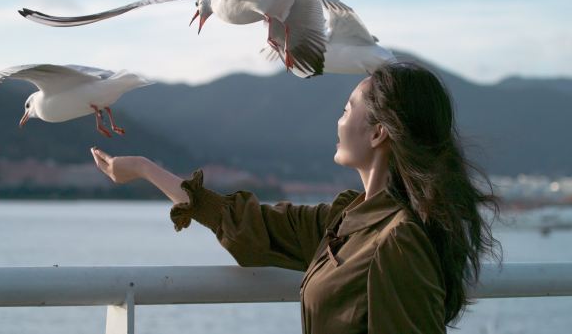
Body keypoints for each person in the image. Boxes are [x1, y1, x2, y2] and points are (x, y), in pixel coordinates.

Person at [90, 62, 502, 334]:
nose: (338, 121)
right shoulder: (346, 221)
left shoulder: (397, 242)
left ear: (378, 132)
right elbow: (243, 224)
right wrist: (145, 168)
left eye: (346, 110)